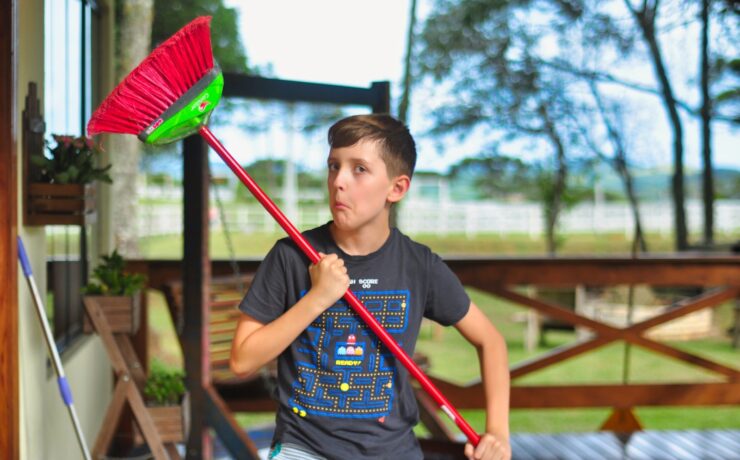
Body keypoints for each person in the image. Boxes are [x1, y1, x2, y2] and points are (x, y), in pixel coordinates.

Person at [230, 114, 511, 460]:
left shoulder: (418, 265)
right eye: (334, 166)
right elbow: (242, 360)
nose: (338, 182)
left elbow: (492, 341)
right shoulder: (290, 256)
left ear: (397, 188)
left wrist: (498, 432)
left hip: (393, 450)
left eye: (359, 169)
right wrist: (317, 298)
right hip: (304, 448)